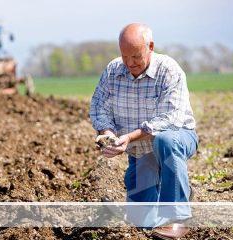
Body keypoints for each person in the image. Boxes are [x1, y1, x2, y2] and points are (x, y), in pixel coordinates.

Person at [89, 23, 198, 239]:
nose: (129, 63)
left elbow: (168, 121)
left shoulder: (169, 70)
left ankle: (176, 217)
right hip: (140, 150)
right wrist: (108, 134)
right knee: (143, 224)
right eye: (124, 56)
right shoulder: (113, 71)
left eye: (136, 56)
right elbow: (99, 106)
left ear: (150, 46)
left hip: (176, 137)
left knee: (166, 141)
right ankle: (176, 187)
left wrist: (128, 137)